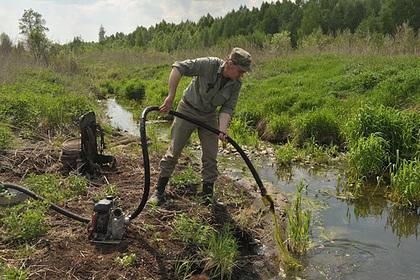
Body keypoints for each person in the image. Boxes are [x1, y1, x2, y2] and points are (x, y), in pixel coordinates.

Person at [149, 47, 252, 205]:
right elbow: (178, 67)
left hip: (209, 116)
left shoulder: (236, 84)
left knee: (210, 156)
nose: (242, 75)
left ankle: (207, 197)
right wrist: (171, 96)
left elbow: (227, 108)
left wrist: (222, 129)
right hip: (187, 110)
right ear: (230, 64)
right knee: (174, 152)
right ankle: (159, 192)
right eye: (240, 71)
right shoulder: (209, 64)